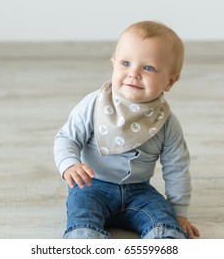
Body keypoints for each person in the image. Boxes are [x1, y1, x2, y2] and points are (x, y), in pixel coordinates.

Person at [54, 20, 200, 239]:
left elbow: (176, 167)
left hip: (139, 191)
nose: (134, 73)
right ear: (113, 64)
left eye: (148, 68)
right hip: (91, 186)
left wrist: (179, 213)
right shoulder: (95, 104)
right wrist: (70, 165)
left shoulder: (165, 121)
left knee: (162, 219)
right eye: (125, 63)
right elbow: (67, 138)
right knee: (82, 217)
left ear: (171, 81)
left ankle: (165, 238)